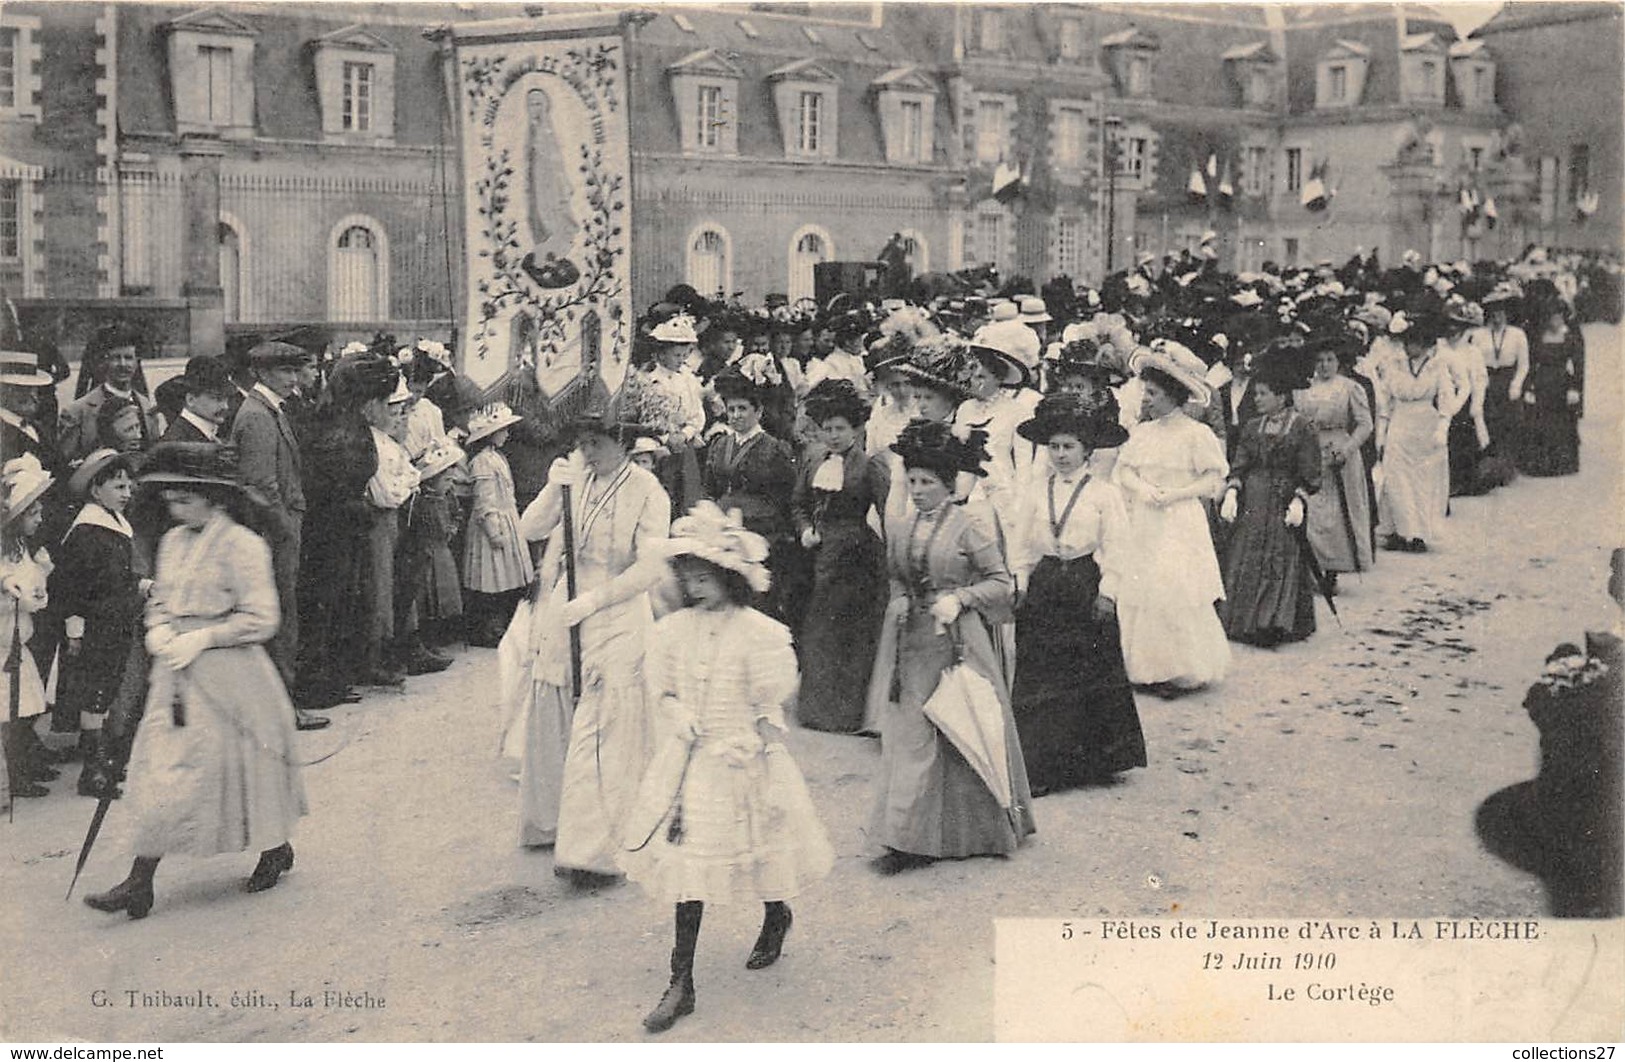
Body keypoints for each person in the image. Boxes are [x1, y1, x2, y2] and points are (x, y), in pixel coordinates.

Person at [620, 502, 834, 1034]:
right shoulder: (673, 631)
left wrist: (759, 735)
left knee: (758, 846)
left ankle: (776, 912)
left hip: (741, 754)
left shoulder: (757, 632)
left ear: (728, 578)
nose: (694, 588)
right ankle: (681, 981)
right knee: (690, 865)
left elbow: (771, 698)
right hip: (691, 761)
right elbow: (663, 687)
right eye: (688, 578)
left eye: (704, 578)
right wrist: (676, 713)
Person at [83, 443, 308, 920]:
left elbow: (263, 618)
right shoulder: (173, 542)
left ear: (215, 498)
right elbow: (162, 599)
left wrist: (205, 636)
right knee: (162, 769)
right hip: (177, 677)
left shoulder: (244, 546)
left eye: (186, 499)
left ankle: (275, 848)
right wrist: (159, 629)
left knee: (243, 769)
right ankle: (139, 881)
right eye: (170, 500)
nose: (176, 508)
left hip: (234, 676)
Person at [867, 419, 1034, 874]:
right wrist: (901, 598)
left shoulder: (969, 526)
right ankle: (907, 837)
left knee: (962, 729)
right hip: (913, 644)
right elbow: (896, 575)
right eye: (912, 481)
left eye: (927, 482)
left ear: (948, 484)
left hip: (960, 643)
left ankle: (967, 831)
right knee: (914, 736)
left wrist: (960, 598)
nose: (917, 490)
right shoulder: (900, 525)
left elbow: (1002, 583)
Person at [508, 408, 670, 875]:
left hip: (616, 607)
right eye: (582, 443)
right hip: (567, 605)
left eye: (597, 442)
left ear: (623, 443)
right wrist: (551, 489)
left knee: (605, 727)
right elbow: (530, 529)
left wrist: (597, 599)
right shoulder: (575, 478)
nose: (588, 451)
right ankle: (552, 821)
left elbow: (651, 566)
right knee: (554, 708)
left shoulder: (647, 489)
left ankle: (594, 849)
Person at [1009, 396, 1144, 794]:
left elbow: (1118, 546)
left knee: (1087, 671)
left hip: (1085, 582)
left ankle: (1092, 759)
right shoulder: (1035, 492)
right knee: (1042, 674)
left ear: (1087, 450)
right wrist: (1020, 582)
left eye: (1069, 447)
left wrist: (1109, 593)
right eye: (1054, 447)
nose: (1061, 455)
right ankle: (1042, 765)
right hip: (1047, 582)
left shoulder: (1104, 493)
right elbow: (1021, 543)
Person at [1111, 340, 1231, 694]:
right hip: (1146, 518)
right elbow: (1124, 470)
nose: (1145, 399)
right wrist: (1142, 490)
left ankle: (1178, 667)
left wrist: (1176, 495)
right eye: (1144, 392)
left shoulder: (1196, 434)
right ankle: (1144, 667)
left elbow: (1213, 479)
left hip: (1179, 520)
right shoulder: (1142, 433)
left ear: (1172, 396)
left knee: (1174, 588)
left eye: (1152, 393)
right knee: (1142, 587)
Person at [792, 380, 889, 733]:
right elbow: (799, 503)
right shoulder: (814, 460)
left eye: (840, 429)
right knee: (816, 628)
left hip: (855, 557)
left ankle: (844, 713)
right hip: (815, 553)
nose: (832, 436)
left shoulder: (869, 467)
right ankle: (815, 710)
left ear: (857, 429)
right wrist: (805, 529)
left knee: (846, 632)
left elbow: (885, 512)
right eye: (827, 429)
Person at [52, 449, 149, 797]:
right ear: (96, 490)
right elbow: (74, 588)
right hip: (95, 627)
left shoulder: (114, 524)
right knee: (95, 695)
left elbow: (117, 579)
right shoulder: (88, 531)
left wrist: (141, 586)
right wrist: (75, 631)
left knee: (106, 691)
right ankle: (92, 770)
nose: (127, 493)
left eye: (128, 486)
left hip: (115, 622)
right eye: (118, 486)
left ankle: (103, 762)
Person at [1217, 345, 1322, 646]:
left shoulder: (1302, 428)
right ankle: (1244, 621)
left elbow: (1311, 470)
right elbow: (1240, 464)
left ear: (1281, 395)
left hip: (1283, 500)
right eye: (1256, 393)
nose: (1257, 399)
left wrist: (1299, 499)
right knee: (1247, 557)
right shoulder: (1252, 427)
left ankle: (1273, 621)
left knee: (1280, 558)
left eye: (1263, 393)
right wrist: (1233, 492)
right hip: (1254, 500)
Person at [230, 341, 309, 692]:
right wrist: (288, 529)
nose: (293, 378)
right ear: (261, 373)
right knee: (279, 616)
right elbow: (261, 487)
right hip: (275, 533)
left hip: (280, 530)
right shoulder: (258, 416)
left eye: (294, 370)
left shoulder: (270, 410)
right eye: (285, 371)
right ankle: (281, 701)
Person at [702, 357, 797, 621]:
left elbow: (786, 495)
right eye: (731, 410)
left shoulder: (774, 448)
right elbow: (711, 487)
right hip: (724, 527)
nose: (736, 416)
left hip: (761, 530)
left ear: (758, 412)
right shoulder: (720, 444)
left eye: (743, 409)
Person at [1372, 302, 1458, 552]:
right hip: (1400, 425)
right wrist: (1382, 434)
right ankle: (1401, 530)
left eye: (1418, 341)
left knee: (1423, 481)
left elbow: (1446, 399)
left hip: (1426, 427)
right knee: (1397, 479)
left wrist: (1442, 428)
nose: (1413, 347)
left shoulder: (1437, 366)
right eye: (1409, 341)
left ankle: (1418, 533)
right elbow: (1385, 403)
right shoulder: (1393, 365)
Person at [1293, 332, 1374, 584]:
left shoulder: (1350, 388)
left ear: (1338, 362)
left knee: (1337, 511)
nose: (1324, 365)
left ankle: (1333, 570)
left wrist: (1347, 449)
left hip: (1339, 449)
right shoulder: (1304, 389)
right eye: (1320, 360)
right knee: (1312, 508)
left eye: (1330, 359)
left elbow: (1365, 424)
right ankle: (1311, 565)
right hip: (1310, 450)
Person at [1, 455, 56, 801]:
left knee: (25, 709)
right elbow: (9, 580)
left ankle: (22, 769)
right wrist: (7, 585)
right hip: (3, 643)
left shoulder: (23, 548)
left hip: (17, 640)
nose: (40, 518)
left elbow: (34, 595)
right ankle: (13, 778)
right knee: (10, 713)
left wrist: (42, 574)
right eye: (33, 514)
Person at [462, 403, 529, 647]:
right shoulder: (483, 462)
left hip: (506, 517)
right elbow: (484, 500)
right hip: (492, 523)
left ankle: (498, 624)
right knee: (490, 577)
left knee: (503, 577)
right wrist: (493, 530)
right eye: (503, 430)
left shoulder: (496, 457)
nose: (507, 434)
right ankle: (486, 628)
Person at [58, 323, 160, 464]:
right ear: (104, 361)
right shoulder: (78, 411)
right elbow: (65, 464)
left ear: (137, 362)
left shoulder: (147, 406)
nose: (123, 364)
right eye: (116, 358)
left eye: (129, 358)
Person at [1517, 289, 1584, 478]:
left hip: (1562, 381)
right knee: (1542, 422)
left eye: (1559, 317)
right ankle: (1541, 463)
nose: (1556, 321)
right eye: (1552, 318)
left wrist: (1574, 388)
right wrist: (1529, 387)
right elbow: (1530, 364)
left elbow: (1576, 366)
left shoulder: (1569, 338)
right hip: (1542, 382)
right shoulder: (1538, 338)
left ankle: (1562, 463)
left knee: (1562, 423)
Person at [1476, 281, 1529, 487]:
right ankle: (1491, 470)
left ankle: (1507, 468)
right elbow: (1475, 361)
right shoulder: (1479, 335)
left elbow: (1524, 365)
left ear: (1507, 313)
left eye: (1501, 313)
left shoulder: (1517, 335)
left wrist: (1516, 384)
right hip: (1487, 380)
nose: (1497, 317)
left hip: (1508, 381)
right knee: (1489, 423)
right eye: (1494, 313)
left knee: (1509, 425)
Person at [161, 357, 235, 443]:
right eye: (217, 399)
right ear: (191, 400)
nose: (225, 406)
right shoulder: (180, 442)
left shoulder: (204, 434)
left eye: (226, 399)